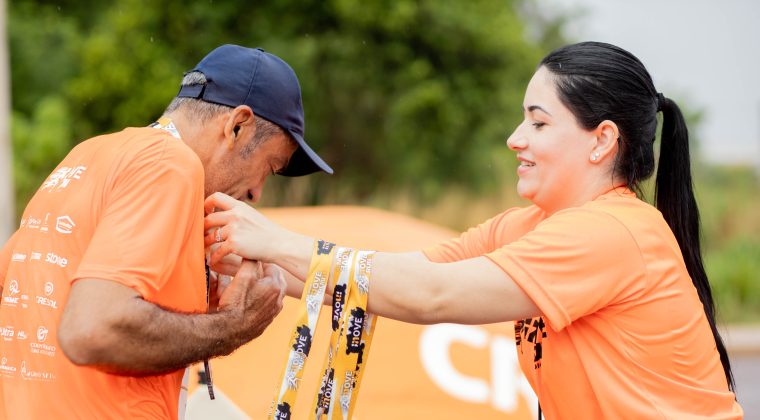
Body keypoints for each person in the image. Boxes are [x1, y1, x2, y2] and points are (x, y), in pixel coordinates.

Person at [203, 42, 743, 419]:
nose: (515, 138)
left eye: (539, 122)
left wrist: (277, 240)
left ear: (602, 141)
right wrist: (256, 262)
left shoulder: (611, 233)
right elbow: (406, 273)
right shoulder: (530, 227)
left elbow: (434, 295)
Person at [0, 44, 333, 419]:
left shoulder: (87, 154)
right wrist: (233, 325)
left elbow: (17, 289)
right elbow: (90, 332)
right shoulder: (171, 164)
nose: (257, 193)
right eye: (270, 167)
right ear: (237, 125)